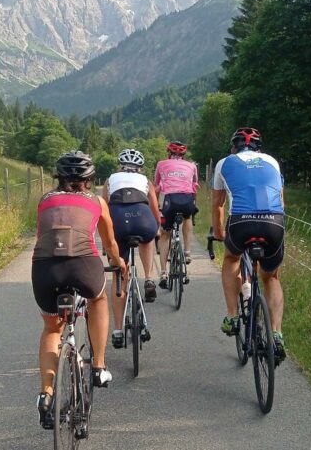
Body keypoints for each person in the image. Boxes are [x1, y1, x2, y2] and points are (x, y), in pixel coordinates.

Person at [32, 151, 127, 429]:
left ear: (58, 177)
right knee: (98, 299)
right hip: (83, 264)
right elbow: (109, 243)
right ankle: (99, 367)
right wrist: (118, 262)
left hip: (45, 266)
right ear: (89, 179)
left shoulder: (45, 199)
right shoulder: (97, 201)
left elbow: (41, 235)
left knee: (52, 329)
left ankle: (46, 394)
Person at [210, 128, 287, 363]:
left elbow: (217, 204)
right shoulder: (272, 161)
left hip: (241, 223)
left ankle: (232, 316)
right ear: (258, 148)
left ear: (234, 148)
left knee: (231, 258)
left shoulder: (224, 163)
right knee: (271, 277)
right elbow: (281, 200)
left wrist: (220, 233)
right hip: (273, 222)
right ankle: (277, 334)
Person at [103, 149, 163, 347]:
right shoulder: (146, 181)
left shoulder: (110, 180)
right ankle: (149, 278)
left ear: (120, 166)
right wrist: (156, 229)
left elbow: (104, 210)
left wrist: (107, 242)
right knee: (148, 237)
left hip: (119, 222)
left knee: (119, 275)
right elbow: (155, 210)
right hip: (143, 219)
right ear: (140, 168)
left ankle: (118, 331)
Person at [154, 141, 199, 290]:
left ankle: (163, 273)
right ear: (184, 155)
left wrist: (156, 206)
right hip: (187, 200)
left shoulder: (161, 164)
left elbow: (156, 187)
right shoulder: (192, 166)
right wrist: (194, 204)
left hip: (170, 201)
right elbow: (194, 187)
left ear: (169, 153)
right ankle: (187, 252)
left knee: (165, 235)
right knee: (187, 217)